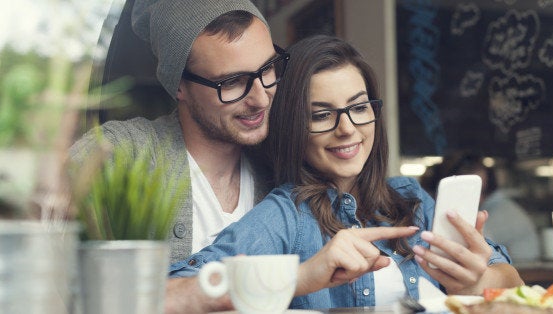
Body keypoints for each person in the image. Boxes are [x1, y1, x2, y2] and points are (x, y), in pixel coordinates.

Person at [166, 35, 523, 313]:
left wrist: (477, 281)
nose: (348, 129)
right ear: (294, 127)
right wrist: (302, 276)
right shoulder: (287, 216)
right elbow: (171, 292)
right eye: (322, 115)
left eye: (358, 107)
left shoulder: (412, 199)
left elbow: (511, 282)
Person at [69, 0, 282, 263]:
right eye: (232, 82)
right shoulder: (124, 152)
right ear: (179, 86)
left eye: (268, 68)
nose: (261, 99)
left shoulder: (280, 166)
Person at [422, 151, 541, 262]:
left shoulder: (500, 212)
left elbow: (471, 249)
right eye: (469, 190)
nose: (478, 197)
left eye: (481, 190)